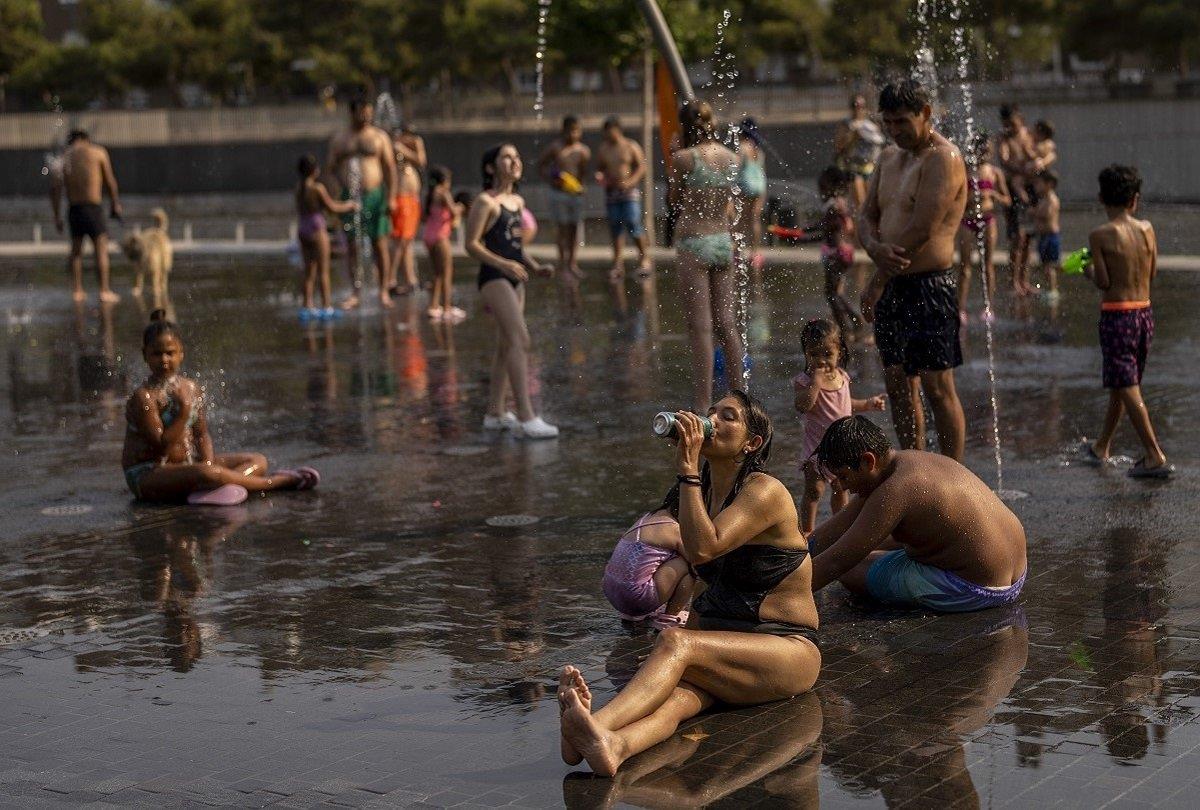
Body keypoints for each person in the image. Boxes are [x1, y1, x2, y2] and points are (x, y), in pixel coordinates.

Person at [557, 391, 821, 776]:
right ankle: (611, 745)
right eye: (712, 412)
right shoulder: (704, 491)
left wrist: (688, 468)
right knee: (676, 701)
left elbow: (703, 550)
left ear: (752, 443)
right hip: (727, 647)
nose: (713, 419)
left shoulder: (764, 491)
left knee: (676, 642)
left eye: (728, 416)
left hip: (787, 649)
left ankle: (594, 723)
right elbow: (703, 583)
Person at [808, 416, 1027, 612]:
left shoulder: (895, 490)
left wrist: (781, 595)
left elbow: (837, 562)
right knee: (867, 543)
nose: (843, 488)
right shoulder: (905, 463)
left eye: (844, 477)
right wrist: (792, 550)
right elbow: (837, 527)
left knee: (849, 569)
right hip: (1016, 573)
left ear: (868, 461)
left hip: (973, 588)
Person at [858, 80, 969, 460]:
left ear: (926, 114)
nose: (895, 130)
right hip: (893, 285)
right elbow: (866, 214)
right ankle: (916, 470)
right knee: (898, 384)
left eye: (903, 122)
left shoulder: (944, 158)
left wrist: (876, 280)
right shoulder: (889, 157)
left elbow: (923, 227)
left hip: (930, 285)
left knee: (938, 387)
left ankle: (956, 477)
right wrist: (873, 247)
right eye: (888, 123)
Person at [122, 310, 320, 502]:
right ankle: (275, 482)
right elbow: (161, 449)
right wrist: (183, 412)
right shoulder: (144, 397)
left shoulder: (190, 388)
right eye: (157, 354)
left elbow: (201, 434)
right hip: (149, 475)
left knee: (257, 461)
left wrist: (207, 460)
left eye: (170, 353)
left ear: (181, 354)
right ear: (145, 355)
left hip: (187, 466)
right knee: (208, 473)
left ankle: (213, 484)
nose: (164, 360)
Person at [464, 143, 559, 439]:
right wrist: (504, 264)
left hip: (515, 276)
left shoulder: (516, 201)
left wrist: (533, 265)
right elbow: (471, 244)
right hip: (494, 277)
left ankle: (494, 412)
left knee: (506, 345)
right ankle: (527, 416)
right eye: (507, 156)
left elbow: (515, 247)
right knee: (520, 339)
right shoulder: (485, 202)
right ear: (491, 167)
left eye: (517, 156)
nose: (514, 161)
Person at [1084, 165, 1172, 478]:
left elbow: (1104, 282)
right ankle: (1101, 446)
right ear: (1134, 199)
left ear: (1101, 198)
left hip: (1117, 315)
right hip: (1144, 313)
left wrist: (1088, 271)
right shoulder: (1147, 229)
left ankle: (1153, 454)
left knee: (1126, 385)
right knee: (1123, 386)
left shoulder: (1100, 235)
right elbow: (1152, 272)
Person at [669, 100, 745, 412]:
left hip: (694, 242)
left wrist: (674, 152)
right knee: (726, 324)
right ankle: (740, 397)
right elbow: (729, 205)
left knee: (700, 328)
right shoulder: (732, 158)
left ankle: (702, 405)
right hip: (722, 242)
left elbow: (675, 200)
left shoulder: (683, 159)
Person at [794, 320, 886, 533]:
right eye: (814, 354)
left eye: (827, 354)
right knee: (814, 491)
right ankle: (807, 532)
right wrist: (815, 383)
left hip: (841, 448)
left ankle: (840, 527)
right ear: (805, 354)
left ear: (839, 353)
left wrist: (867, 404)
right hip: (816, 449)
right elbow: (803, 406)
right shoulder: (804, 381)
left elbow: (845, 403)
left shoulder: (842, 377)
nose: (821, 360)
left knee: (840, 487)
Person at [325, 97, 397, 310]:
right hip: (351, 197)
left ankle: (384, 290)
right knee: (353, 246)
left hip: (375, 195)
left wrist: (391, 197)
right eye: (362, 112)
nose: (367, 116)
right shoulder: (340, 139)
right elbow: (330, 169)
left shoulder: (379, 137)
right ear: (353, 112)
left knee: (380, 244)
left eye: (369, 112)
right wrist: (337, 194)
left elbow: (390, 168)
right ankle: (356, 292)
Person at [50, 130, 122, 304]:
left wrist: (57, 216)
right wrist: (115, 203)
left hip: (74, 208)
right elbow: (110, 181)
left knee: (76, 251)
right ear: (85, 139)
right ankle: (104, 290)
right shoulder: (98, 152)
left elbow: (55, 189)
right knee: (100, 250)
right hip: (93, 207)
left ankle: (77, 290)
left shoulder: (63, 157)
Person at [601, 495, 692, 625]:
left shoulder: (649, 517)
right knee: (689, 566)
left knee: (653, 562)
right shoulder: (673, 529)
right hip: (636, 598)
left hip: (611, 592)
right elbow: (699, 559)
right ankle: (669, 618)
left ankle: (631, 616)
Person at [538, 116, 591, 312]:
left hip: (574, 193)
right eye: (570, 130)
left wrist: (581, 187)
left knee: (574, 228)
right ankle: (562, 263)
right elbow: (541, 165)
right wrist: (550, 180)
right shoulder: (555, 148)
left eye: (576, 130)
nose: (573, 134)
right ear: (564, 130)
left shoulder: (583, 151)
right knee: (561, 228)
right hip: (558, 193)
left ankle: (573, 263)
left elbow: (583, 172)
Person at [956, 134, 1012, 322]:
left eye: (989, 150)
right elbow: (955, 199)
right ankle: (960, 308)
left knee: (987, 265)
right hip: (967, 220)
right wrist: (971, 199)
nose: (988, 153)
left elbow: (1008, 200)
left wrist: (994, 195)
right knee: (964, 267)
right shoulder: (964, 171)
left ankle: (988, 307)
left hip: (988, 220)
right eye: (985, 150)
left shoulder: (995, 173)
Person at [805, 167, 866, 340]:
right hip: (840, 253)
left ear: (831, 186)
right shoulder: (839, 203)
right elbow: (822, 226)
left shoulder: (833, 206)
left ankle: (847, 328)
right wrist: (801, 231)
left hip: (836, 255)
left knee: (831, 294)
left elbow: (825, 232)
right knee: (834, 293)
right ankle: (853, 322)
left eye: (822, 187)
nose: (820, 190)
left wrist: (801, 239)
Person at [296, 153, 358, 319]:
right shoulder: (317, 188)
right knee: (323, 271)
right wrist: (350, 205)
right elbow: (332, 208)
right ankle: (326, 306)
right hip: (317, 228)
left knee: (309, 271)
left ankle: (307, 306)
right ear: (314, 170)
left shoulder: (298, 188)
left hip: (302, 229)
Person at [594, 116, 652, 285]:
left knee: (633, 223)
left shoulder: (630, 146)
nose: (607, 135)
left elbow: (642, 166)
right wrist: (600, 177)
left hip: (629, 192)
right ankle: (618, 263)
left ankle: (644, 259)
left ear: (617, 130)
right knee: (615, 226)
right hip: (612, 192)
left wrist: (631, 181)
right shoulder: (604, 149)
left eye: (609, 131)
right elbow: (600, 168)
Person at [997, 104, 1036, 296]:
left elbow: (1038, 154)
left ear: (1019, 119)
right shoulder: (1004, 138)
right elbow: (1003, 159)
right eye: (1007, 124)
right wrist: (1021, 169)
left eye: (1013, 123)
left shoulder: (1027, 135)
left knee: (1028, 238)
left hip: (1029, 188)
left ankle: (1024, 280)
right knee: (1017, 238)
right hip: (1013, 189)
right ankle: (1013, 282)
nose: (1010, 127)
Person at [422, 165, 466, 322]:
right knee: (447, 272)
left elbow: (424, 217)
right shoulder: (443, 193)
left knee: (436, 273)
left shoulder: (430, 195)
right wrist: (461, 207)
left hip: (428, 236)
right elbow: (453, 211)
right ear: (444, 181)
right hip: (441, 237)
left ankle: (433, 306)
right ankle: (447, 307)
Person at [391, 123, 427, 295]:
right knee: (401, 241)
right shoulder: (393, 147)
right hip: (401, 197)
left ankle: (411, 280)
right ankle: (390, 279)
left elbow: (421, 161)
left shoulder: (406, 149)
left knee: (408, 241)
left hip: (412, 198)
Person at [834, 94, 886, 211]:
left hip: (869, 166)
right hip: (853, 167)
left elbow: (879, 143)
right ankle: (860, 227)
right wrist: (852, 136)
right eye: (855, 106)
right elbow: (838, 147)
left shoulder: (871, 124)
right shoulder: (847, 124)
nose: (858, 109)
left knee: (872, 203)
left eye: (861, 106)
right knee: (861, 205)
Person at [735, 117, 768, 269]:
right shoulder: (758, 150)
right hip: (759, 185)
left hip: (746, 185)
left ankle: (737, 252)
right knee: (755, 219)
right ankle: (756, 253)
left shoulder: (743, 147)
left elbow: (736, 167)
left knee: (740, 220)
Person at [1031, 169, 1061, 298]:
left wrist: (1034, 212)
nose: (1037, 187)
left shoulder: (1052, 199)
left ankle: (1053, 290)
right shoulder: (1043, 199)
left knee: (1050, 266)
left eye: (1040, 184)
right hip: (1043, 236)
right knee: (1044, 265)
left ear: (1049, 184)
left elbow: (1047, 214)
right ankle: (1047, 288)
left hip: (1050, 237)